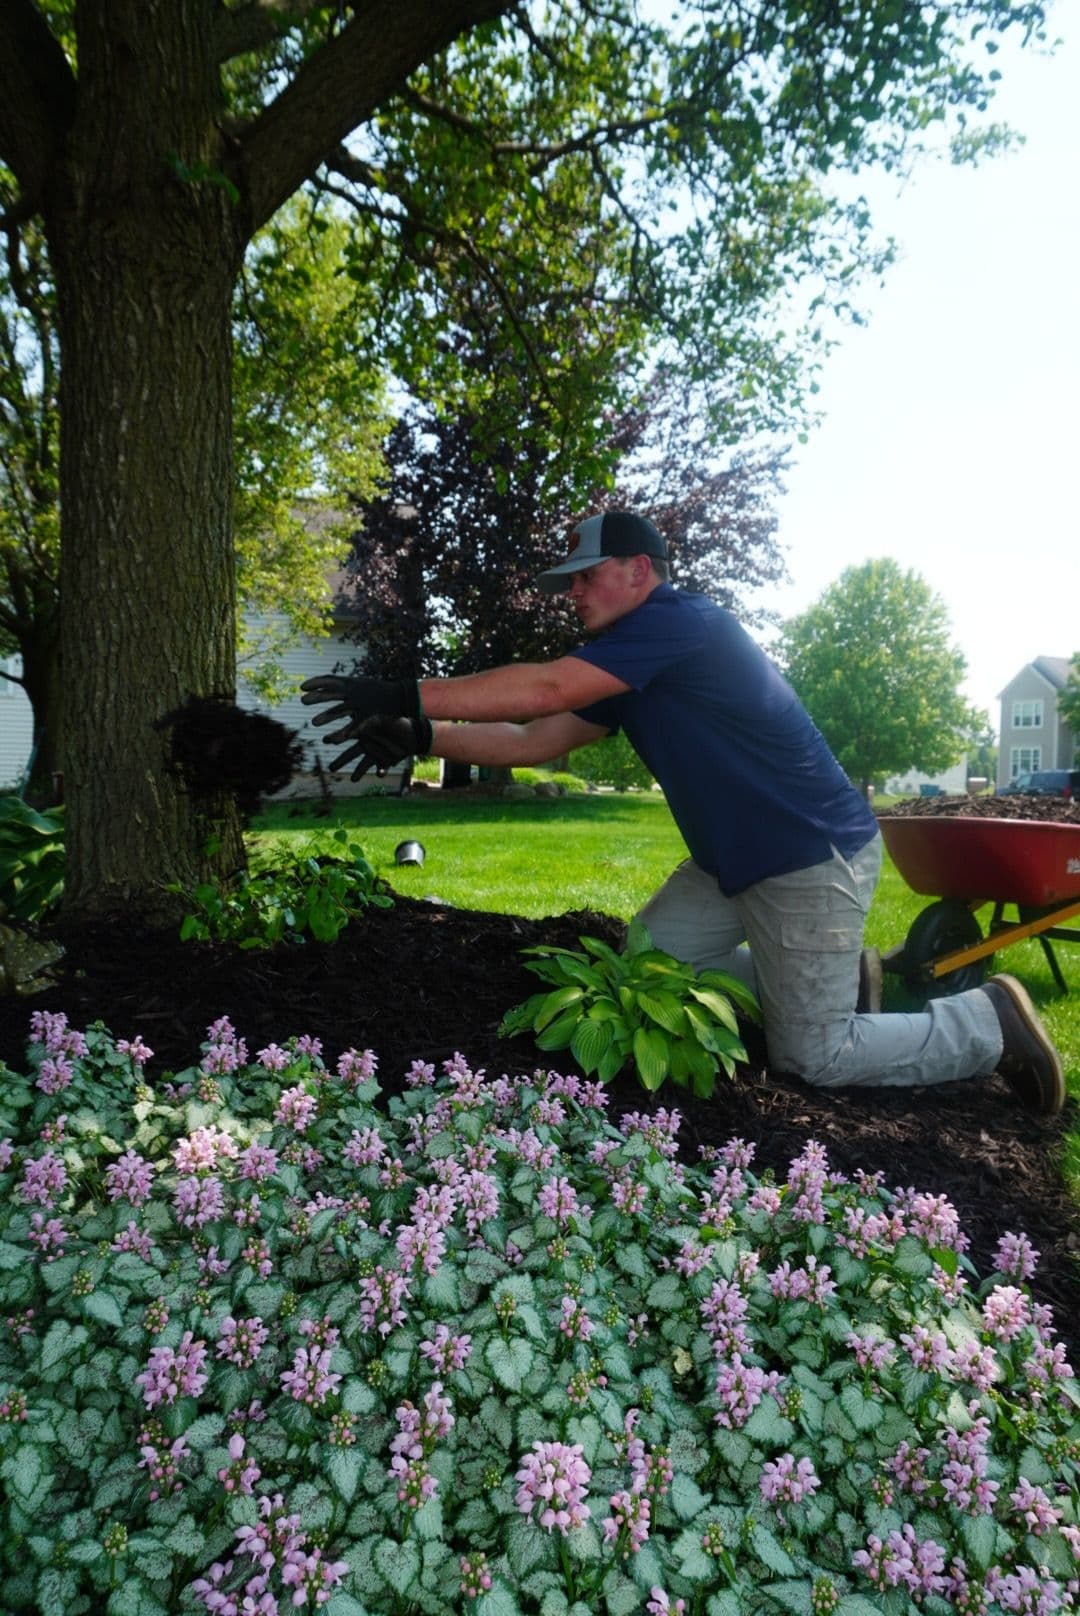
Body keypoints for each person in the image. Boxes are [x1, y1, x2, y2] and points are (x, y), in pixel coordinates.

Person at [301, 509, 1065, 1116]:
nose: (573, 592)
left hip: (806, 856)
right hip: (732, 862)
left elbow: (543, 692)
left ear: (640, 572)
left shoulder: (679, 623)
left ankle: (987, 1024)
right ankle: (840, 977)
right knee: (647, 968)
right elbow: (536, 738)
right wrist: (422, 733)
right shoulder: (632, 662)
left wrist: (406, 692)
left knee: (814, 1057)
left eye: (586, 575)